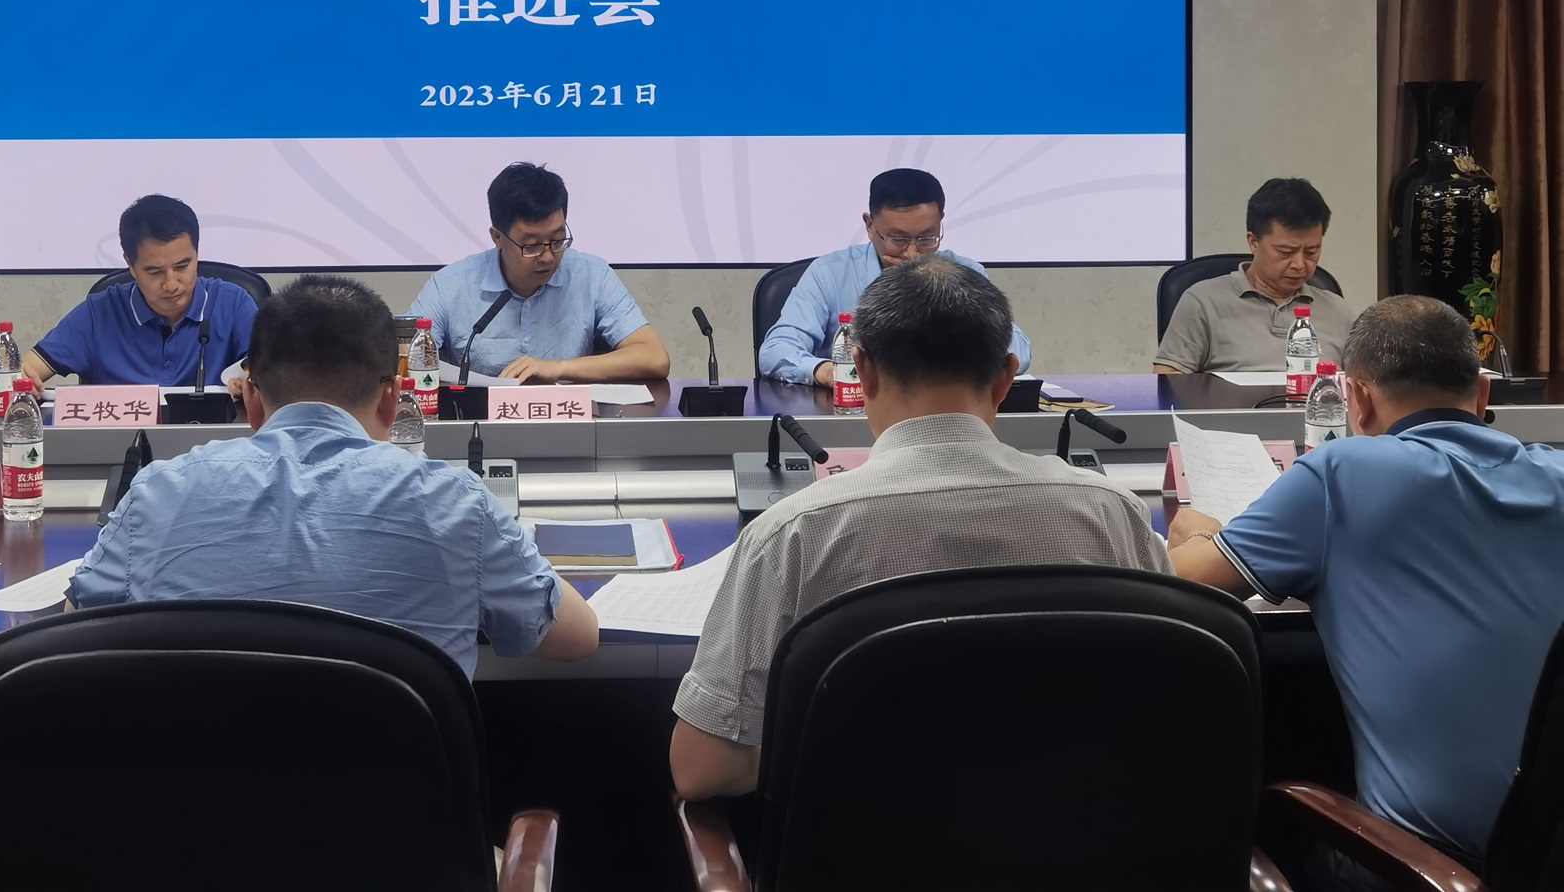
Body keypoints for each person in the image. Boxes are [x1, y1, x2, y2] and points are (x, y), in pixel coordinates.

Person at [672, 256, 1168, 802]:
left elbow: (703, 772)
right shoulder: (1113, 514)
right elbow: (1165, 705)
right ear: (1007, 376)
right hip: (1077, 837)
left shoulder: (792, 535)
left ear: (861, 370)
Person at [1169, 296, 1564, 867]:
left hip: (1427, 865)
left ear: (1355, 397)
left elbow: (1181, 585)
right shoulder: (1557, 475)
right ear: (1483, 395)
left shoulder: (1342, 473)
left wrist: (1201, 531)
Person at [68, 274, 599, 676]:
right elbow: (578, 637)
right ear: (393, 400)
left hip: (198, 794)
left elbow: (75, 621)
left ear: (250, 399)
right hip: (398, 795)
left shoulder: (158, 492)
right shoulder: (456, 503)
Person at [759, 167, 1032, 384]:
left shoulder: (966, 274)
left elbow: (1018, 352)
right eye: (898, 239)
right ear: (870, 225)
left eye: (926, 238)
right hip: (851, 414)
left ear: (940, 221)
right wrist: (828, 371)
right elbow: (776, 351)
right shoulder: (830, 274)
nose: (912, 253)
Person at [409, 162, 670, 384]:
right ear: (497, 237)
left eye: (557, 240)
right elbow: (403, 360)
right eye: (531, 246)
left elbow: (654, 357)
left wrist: (557, 368)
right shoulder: (450, 286)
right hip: (479, 422)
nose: (547, 257)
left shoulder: (593, 276)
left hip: (570, 422)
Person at [22, 194, 257, 390]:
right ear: (130, 265)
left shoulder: (234, 304)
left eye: (182, 266)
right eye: (155, 272)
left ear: (197, 254)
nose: (171, 284)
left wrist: (251, 379)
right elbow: (26, 370)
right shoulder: (99, 314)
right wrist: (21, 379)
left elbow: (265, 369)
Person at [1155, 177, 1357, 374]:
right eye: (1286, 252)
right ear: (1253, 242)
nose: (1299, 264)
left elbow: (1365, 385)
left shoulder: (1340, 312)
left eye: (1311, 252)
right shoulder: (1203, 303)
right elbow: (1168, 377)